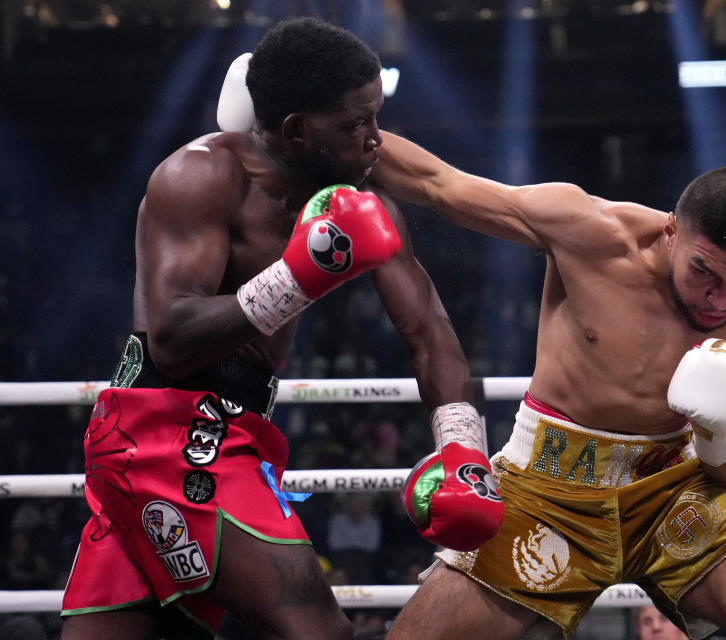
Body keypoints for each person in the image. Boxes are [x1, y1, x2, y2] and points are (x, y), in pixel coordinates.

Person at [60, 17, 498, 640]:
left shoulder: (359, 199)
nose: (377, 139)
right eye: (358, 123)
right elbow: (172, 338)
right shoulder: (201, 177)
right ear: (297, 131)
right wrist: (300, 276)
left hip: (232, 428)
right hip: (164, 429)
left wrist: (462, 451)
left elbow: (428, 330)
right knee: (315, 626)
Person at [370, 133, 726, 639]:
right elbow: (440, 185)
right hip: (547, 487)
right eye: (703, 270)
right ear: (671, 230)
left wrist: (720, 433)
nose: (720, 299)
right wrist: (346, 136)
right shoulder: (591, 232)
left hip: (674, 489)